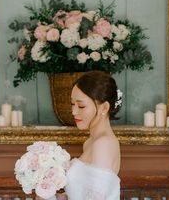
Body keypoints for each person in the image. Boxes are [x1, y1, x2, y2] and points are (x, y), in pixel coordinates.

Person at [39, 71, 122, 200]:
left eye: (81, 106)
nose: (73, 111)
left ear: (104, 108)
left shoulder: (103, 144)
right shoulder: (90, 142)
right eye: (73, 104)